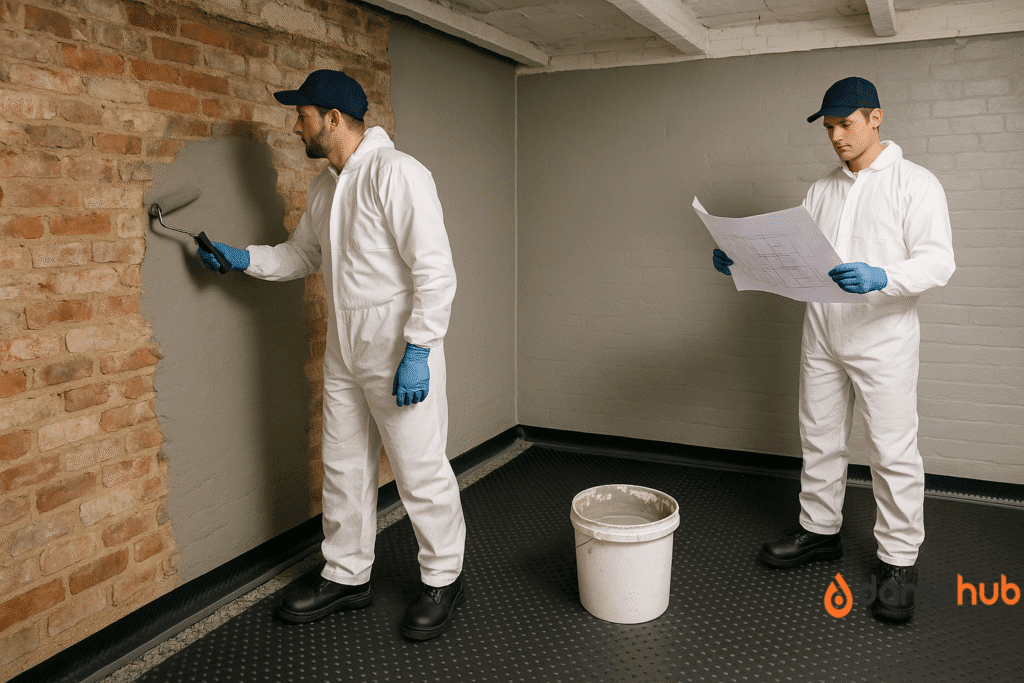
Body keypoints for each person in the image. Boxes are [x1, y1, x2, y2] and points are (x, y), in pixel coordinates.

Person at [198, 70, 466, 640]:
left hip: (397, 350)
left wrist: (419, 348)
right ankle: (347, 575)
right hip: (346, 350)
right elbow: (302, 255)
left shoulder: (398, 173)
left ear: (334, 119)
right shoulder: (326, 189)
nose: (296, 127)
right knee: (343, 467)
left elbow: (435, 270)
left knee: (420, 470)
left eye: (303, 116)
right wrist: (243, 258)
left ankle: (444, 577)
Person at [712, 77, 955, 622]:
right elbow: (797, 262)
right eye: (829, 128)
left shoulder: (916, 184)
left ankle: (898, 561)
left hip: (882, 337)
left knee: (892, 451)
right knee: (819, 437)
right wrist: (743, 261)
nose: (837, 137)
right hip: (822, 332)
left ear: (875, 118)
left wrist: (882, 275)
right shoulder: (821, 191)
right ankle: (820, 531)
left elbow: (939, 262)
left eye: (846, 124)